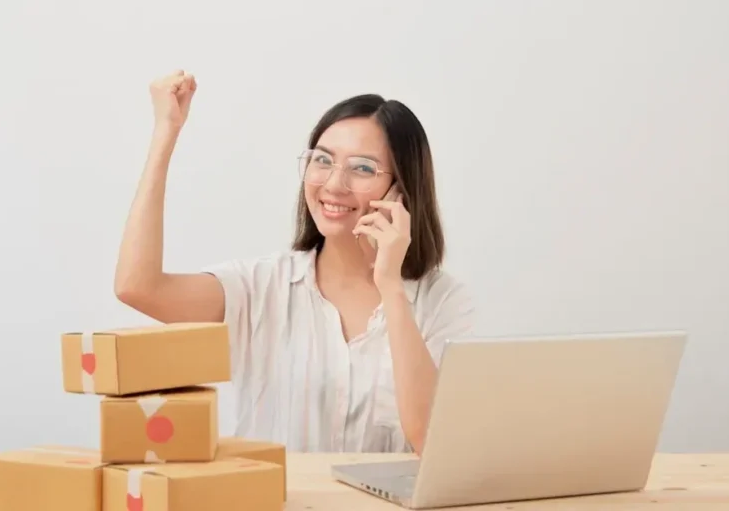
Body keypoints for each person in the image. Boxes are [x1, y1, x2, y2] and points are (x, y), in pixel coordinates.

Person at [114, 70, 476, 454]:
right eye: (323, 160)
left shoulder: (442, 302)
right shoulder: (262, 286)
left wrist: (389, 284)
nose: (334, 184)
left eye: (363, 168)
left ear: (401, 191)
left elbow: (432, 442)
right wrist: (165, 134)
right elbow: (138, 287)